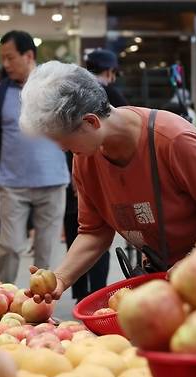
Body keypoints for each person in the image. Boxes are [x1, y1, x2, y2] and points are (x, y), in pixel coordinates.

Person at [18, 62, 196, 303]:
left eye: (63, 140)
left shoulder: (172, 139)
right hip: (166, 261)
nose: (62, 149)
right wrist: (60, 277)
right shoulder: (84, 159)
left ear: (91, 122)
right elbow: (94, 232)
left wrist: (194, 258)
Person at [0, 31, 70, 284]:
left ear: (28, 56)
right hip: (12, 184)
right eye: (2, 58)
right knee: (10, 248)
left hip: (53, 181)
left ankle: (39, 306)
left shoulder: (54, 87)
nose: (4, 64)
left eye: (10, 58)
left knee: (45, 253)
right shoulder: (1, 92)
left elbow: (74, 132)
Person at [63, 48, 128, 301]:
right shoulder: (111, 97)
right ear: (110, 72)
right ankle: (97, 294)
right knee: (98, 232)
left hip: (75, 176)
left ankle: (80, 293)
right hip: (98, 177)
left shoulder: (70, 95)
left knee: (79, 231)